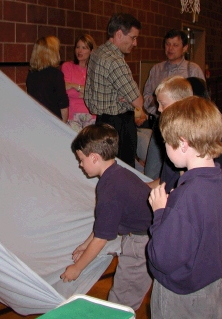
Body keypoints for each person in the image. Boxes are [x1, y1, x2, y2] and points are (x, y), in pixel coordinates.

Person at [147, 96, 222, 319]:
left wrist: (160, 213)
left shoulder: (187, 194)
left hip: (180, 297)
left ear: (183, 143)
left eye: (166, 143)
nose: (164, 149)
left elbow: (162, 257)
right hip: (211, 288)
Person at [60, 124, 152, 311]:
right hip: (145, 237)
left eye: (81, 159)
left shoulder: (109, 187)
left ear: (94, 157)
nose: (80, 164)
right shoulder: (118, 174)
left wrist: (77, 269)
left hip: (142, 244)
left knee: (121, 300)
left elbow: (101, 239)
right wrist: (85, 244)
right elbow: (104, 224)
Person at [84, 13, 147, 168]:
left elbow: (88, 95)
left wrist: (124, 97)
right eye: (133, 37)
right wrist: (128, 99)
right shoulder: (115, 61)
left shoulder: (97, 53)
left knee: (105, 169)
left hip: (101, 122)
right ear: (119, 34)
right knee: (123, 172)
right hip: (120, 126)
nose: (135, 43)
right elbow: (138, 101)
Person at [142, 29, 205, 179]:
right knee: (152, 170)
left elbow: (202, 99)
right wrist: (158, 106)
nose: (170, 48)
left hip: (185, 128)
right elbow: (146, 96)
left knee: (178, 174)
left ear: (185, 48)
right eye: (168, 44)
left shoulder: (193, 69)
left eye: (175, 45)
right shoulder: (156, 69)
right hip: (160, 125)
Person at [26, 36, 69, 122]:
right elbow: (63, 104)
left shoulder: (31, 75)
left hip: (36, 119)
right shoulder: (56, 75)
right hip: (53, 121)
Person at [62, 34, 97, 132]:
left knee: (89, 146)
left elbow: (96, 93)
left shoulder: (95, 70)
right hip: (73, 115)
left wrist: (73, 85)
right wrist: (85, 91)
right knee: (76, 145)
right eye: (77, 47)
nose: (80, 51)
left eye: (84, 48)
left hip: (91, 115)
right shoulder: (67, 66)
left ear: (91, 51)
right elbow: (67, 92)